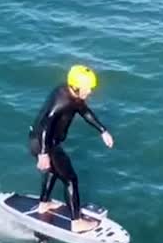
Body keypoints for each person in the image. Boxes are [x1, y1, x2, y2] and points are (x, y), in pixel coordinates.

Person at [28, 65, 114, 233]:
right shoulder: (62, 101)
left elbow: (84, 111)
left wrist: (103, 131)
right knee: (70, 180)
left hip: (41, 141)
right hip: (44, 144)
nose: (90, 91)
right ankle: (77, 223)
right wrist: (43, 154)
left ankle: (44, 205)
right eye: (87, 88)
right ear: (76, 87)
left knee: (54, 171)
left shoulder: (70, 94)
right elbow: (46, 125)